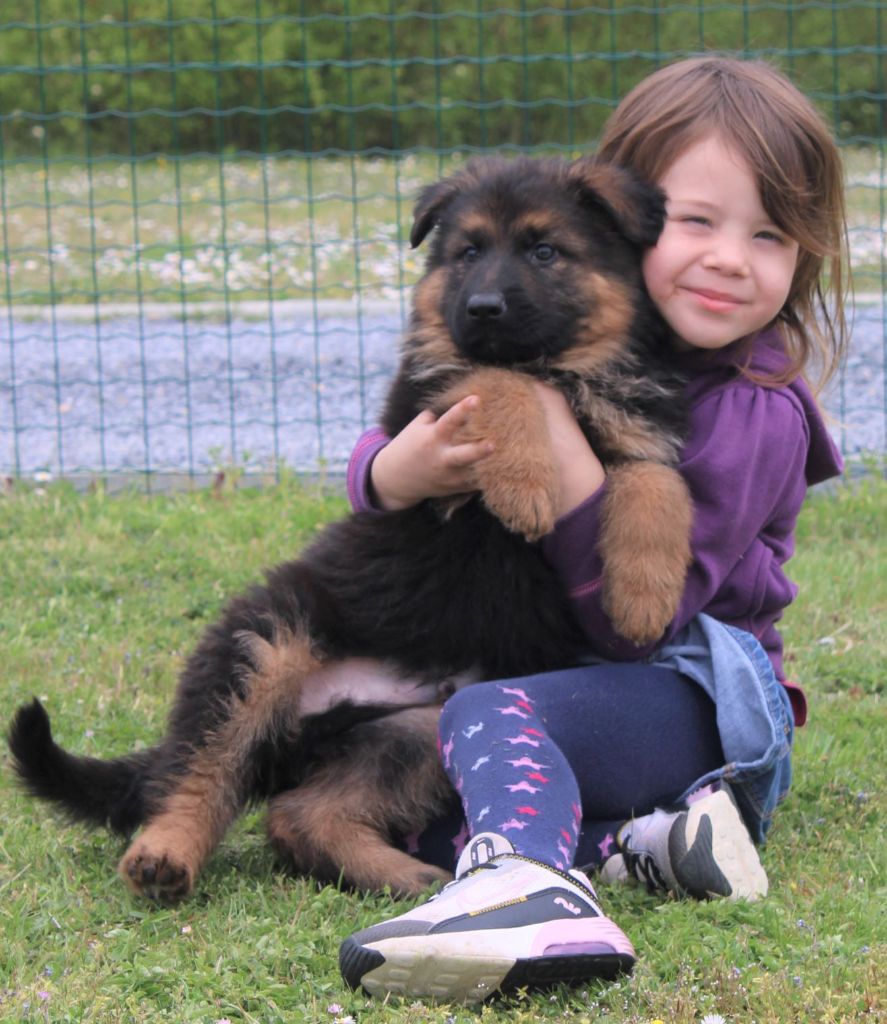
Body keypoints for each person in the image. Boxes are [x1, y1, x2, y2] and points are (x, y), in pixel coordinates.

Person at [337, 55, 848, 1003]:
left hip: (697, 696)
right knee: (420, 792)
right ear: (623, 223)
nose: (728, 258)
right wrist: (384, 470)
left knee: (484, 717)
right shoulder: (598, 342)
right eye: (696, 221)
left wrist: (553, 433)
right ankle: (646, 847)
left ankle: (526, 891)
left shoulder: (757, 408)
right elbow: (420, 412)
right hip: (589, 687)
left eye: (768, 235)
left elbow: (636, 624)